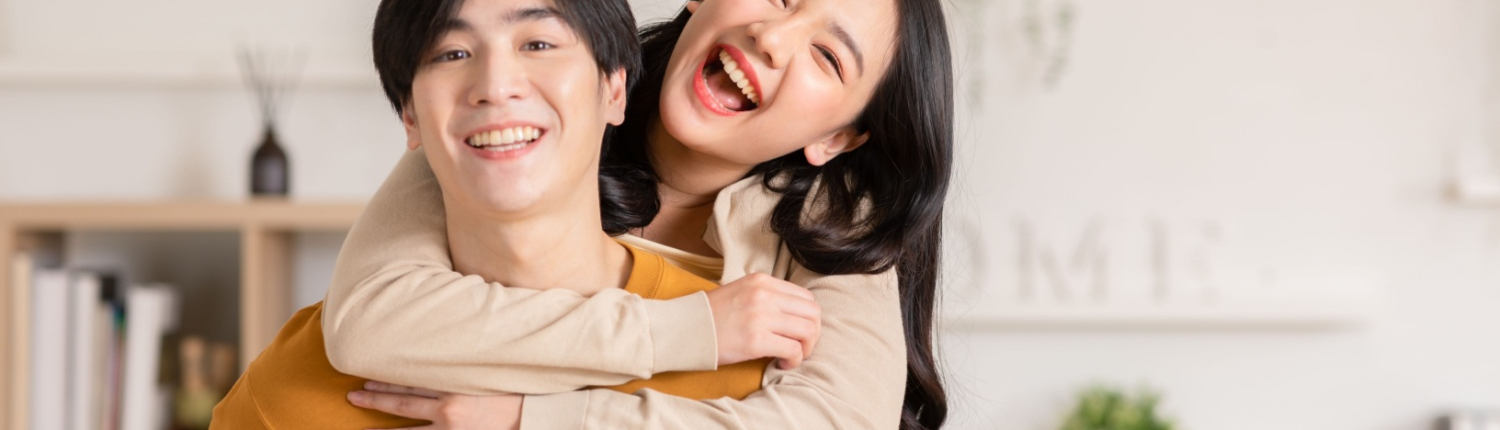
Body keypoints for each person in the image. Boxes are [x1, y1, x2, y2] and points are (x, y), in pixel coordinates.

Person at [327, 0, 956, 428]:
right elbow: (372, 320)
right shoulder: (532, 109)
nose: (771, 36)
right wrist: (691, 329)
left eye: (828, 56)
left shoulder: (837, 226)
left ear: (838, 139)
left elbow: (835, 422)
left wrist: (534, 416)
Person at [207, 0, 797, 427]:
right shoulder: (289, 393)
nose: (494, 84)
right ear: (409, 118)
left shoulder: (740, 366)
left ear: (615, 88)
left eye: (538, 44)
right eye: (452, 52)